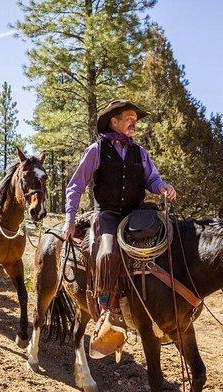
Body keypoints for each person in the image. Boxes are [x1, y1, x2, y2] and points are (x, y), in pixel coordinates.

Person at [62, 99, 176, 358]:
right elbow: (76, 186)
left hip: (138, 214)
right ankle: (105, 314)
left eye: (136, 119)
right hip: (110, 215)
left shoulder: (140, 152)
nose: (134, 122)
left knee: (168, 242)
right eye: (129, 117)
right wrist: (69, 218)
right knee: (108, 253)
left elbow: (152, 179)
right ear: (114, 121)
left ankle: (159, 310)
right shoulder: (96, 150)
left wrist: (163, 187)